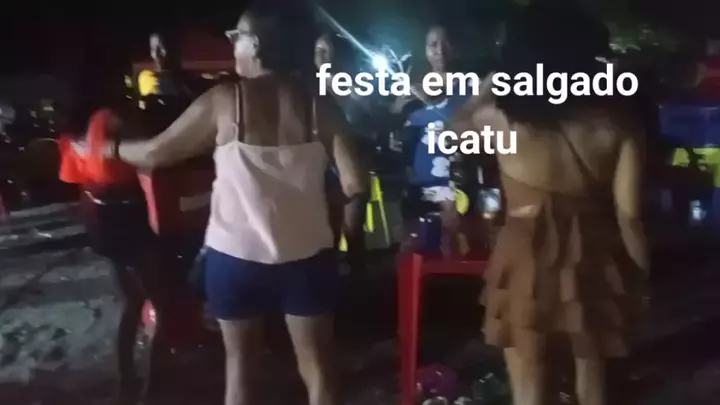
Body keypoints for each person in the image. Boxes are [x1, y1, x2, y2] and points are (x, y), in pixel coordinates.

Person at [74, 3, 367, 405]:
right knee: (318, 370)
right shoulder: (321, 106)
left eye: (236, 37)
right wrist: (346, 241)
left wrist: (113, 148)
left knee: (241, 371)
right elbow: (356, 183)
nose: (232, 45)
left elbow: (157, 153)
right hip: (307, 260)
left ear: (256, 44)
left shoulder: (225, 101)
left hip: (236, 261)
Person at [452, 4, 648, 405]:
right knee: (592, 378)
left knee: (530, 382)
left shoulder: (499, 120)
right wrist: (640, 280)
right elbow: (630, 217)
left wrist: (487, 87)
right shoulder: (617, 124)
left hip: (523, 259)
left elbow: (454, 131)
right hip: (593, 258)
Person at [58, 102, 175, 404]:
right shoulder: (116, 138)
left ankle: (127, 382)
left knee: (132, 304)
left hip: (106, 229)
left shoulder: (83, 142)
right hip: (130, 225)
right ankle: (153, 385)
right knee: (161, 305)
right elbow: (151, 152)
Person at [395, 24, 475, 242]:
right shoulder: (411, 92)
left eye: (446, 44)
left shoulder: (471, 88)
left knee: (458, 251)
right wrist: (397, 113)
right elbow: (394, 131)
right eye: (433, 44)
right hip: (418, 192)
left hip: (458, 190)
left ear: (456, 48)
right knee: (416, 252)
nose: (440, 50)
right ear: (425, 50)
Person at [315, 32, 372, 273]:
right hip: (320, 169)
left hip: (352, 166)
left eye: (325, 51)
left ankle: (359, 283)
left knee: (353, 231)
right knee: (326, 235)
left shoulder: (358, 89)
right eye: (317, 51)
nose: (319, 56)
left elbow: (371, 126)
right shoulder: (309, 90)